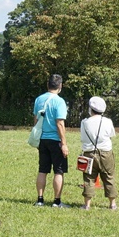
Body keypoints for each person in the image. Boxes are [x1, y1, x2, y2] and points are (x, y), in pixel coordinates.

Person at [33, 73, 69, 208]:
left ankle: (40, 199)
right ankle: (57, 201)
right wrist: (64, 143)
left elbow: (36, 120)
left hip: (42, 139)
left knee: (42, 169)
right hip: (55, 140)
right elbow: (60, 123)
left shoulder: (39, 99)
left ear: (47, 85)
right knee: (58, 171)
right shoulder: (59, 101)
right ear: (60, 86)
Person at [80, 96, 118, 210]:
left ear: (90, 109)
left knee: (88, 178)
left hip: (89, 152)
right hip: (106, 152)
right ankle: (112, 204)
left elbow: (82, 138)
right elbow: (111, 135)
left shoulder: (84, 123)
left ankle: (87, 205)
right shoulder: (107, 121)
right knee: (108, 177)